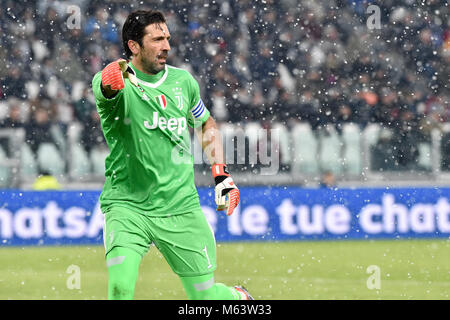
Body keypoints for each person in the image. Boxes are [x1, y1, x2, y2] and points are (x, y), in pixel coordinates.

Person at [92, 9, 252, 300]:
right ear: (134, 46)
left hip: (180, 205)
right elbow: (106, 90)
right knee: (119, 289)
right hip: (128, 206)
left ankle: (239, 298)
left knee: (205, 298)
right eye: (157, 39)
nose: (166, 45)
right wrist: (109, 81)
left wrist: (221, 174)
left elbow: (204, 123)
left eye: (167, 38)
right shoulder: (117, 82)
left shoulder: (183, 83)